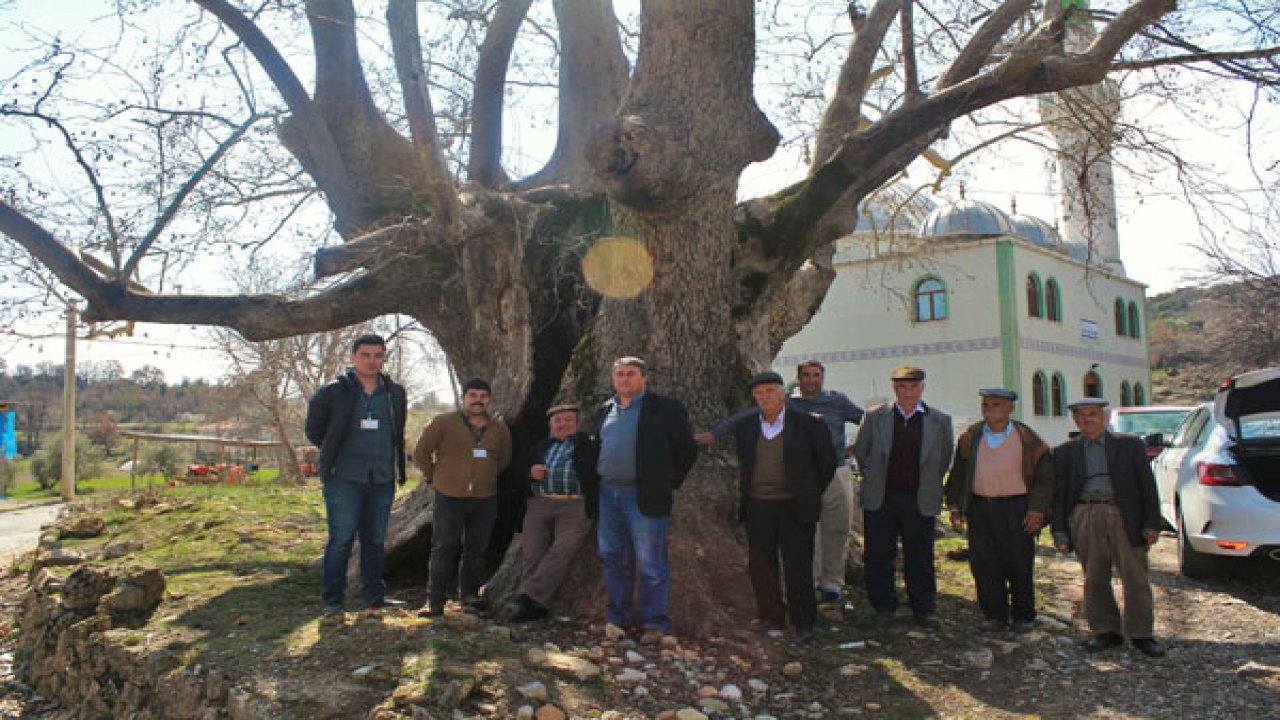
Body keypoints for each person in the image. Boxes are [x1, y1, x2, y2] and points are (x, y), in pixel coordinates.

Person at [718, 372, 837, 643]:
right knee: (761, 565)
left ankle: (803, 621)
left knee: (798, 565)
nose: (765, 397)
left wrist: (807, 492)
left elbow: (826, 464)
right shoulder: (748, 425)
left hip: (795, 506)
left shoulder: (808, 424)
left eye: (770, 391)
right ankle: (771, 616)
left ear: (783, 392)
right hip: (759, 505)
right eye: (759, 393)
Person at [592, 356, 697, 644]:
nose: (625, 379)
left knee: (651, 563)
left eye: (631, 374)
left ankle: (654, 623)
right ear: (614, 379)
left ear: (644, 378)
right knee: (614, 560)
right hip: (607, 495)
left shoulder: (664, 408)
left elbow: (686, 450)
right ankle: (617, 618)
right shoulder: (605, 410)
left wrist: (666, 482)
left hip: (644, 496)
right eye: (620, 374)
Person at [1052, 398, 1166, 658]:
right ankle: (1105, 631)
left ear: (1105, 417)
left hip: (1123, 513)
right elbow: (1059, 495)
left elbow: (1147, 486)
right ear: (1074, 420)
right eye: (1080, 416)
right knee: (1094, 575)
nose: (1087, 420)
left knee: (1135, 575)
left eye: (1092, 414)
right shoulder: (1064, 452)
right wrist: (1060, 530)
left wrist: (1151, 523)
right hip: (1085, 513)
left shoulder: (1129, 445)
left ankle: (1141, 634)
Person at [304, 334, 408, 618]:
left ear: (384, 358)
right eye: (365, 355)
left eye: (378, 355)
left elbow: (397, 433)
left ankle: (374, 599)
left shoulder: (394, 393)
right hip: (344, 478)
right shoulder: (333, 392)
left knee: (375, 540)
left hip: (382, 477)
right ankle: (333, 603)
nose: (372, 361)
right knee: (341, 539)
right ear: (352, 357)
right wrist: (334, 455)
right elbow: (315, 429)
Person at [851, 365, 953, 629]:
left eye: (913, 386)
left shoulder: (939, 420)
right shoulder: (876, 417)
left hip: (918, 497)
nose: (908, 392)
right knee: (878, 554)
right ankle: (883, 606)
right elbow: (862, 452)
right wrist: (873, 476)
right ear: (894, 389)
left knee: (920, 555)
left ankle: (923, 607)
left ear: (922, 388)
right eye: (902, 386)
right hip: (882, 497)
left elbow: (943, 458)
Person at [944, 389, 1054, 633]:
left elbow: (1045, 479)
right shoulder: (971, 438)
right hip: (981, 508)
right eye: (986, 404)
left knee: (1018, 563)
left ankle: (1023, 615)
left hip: (1016, 508)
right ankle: (994, 615)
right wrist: (954, 506)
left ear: (1009, 409)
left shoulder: (1028, 439)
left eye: (996, 404)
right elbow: (958, 474)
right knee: (984, 564)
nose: (989, 408)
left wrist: (1037, 510)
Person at [413, 378, 512, 617]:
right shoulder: (444, 423)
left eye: (483, 396)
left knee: (476, 549)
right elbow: (421, 453)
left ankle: (469, 595)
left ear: (489, 400)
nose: (478, 400)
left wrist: (485, 477)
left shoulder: (499, 428)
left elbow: (504, 460)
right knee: (444, 547)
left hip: (485, 497)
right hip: (449, 496)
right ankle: (435, 601)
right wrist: (435, 477)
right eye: (473, 395)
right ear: (463, 398)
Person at [507, 403, 599, 622]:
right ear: (551, 425)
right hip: (539, 503)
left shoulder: (590, 445)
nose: (563, 424)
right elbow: (518, 474)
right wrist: (530, 473)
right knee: (532, 554)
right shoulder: (541, 448)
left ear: (577, 424)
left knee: (560, 553)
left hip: (575, 505)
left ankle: (524, 597)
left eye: (568, 420)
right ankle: (534, 606)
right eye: (558, 421)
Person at [789, 361, 864, 605]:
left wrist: (855, 448)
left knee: (837, 527)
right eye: (806, 375)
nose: (811, 380)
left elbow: (866, 421)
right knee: (807, 530)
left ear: (823, 377)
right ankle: (809, 580)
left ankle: (832, 583)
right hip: (803, 475)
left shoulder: (837, 401)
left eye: (816, 375)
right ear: (798, 378)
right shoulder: (790, 403)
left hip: (836, 470)